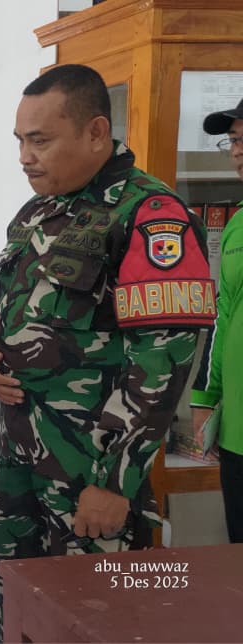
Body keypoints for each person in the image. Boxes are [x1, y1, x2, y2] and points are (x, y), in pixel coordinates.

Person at [0, 64, 216, 641]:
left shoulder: (150, 217)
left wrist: (114, 481)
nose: (25, 157)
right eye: (20, 141)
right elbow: (5, 316)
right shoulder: (39, 212)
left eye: (40, 140)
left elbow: (163, 363)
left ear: (97, 132)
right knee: (19, 613)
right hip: (23, 462)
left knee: (90, 622)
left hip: (91, 480)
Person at [192, 97, 243, 543]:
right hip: (237, 435)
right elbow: (222, 313)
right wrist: (206, 397)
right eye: (235, 139)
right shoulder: (236, 225)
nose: (238, 150)